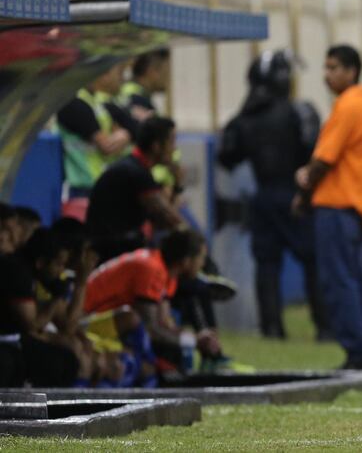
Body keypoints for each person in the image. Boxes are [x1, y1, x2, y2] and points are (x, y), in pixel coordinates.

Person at [218, 49, 331, 341]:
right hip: (296, 196)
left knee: (267, 264)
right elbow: (313, 152)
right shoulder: (299, 111)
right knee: (313, 261)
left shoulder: (244, 118)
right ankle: (324, 325)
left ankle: (272, 328)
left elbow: (227, 156)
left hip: (264, 196)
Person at [294, 45, 362, 370]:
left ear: (351, 71)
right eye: (326, 67)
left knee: (339, 283)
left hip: (338, 206)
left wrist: (304, 191)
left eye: (333, 68)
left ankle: (359, 354)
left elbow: (324, 160)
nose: (327, 74)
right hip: (353, 207)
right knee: (353, 281)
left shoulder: (348, 105)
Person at [83, 229, 222, 371]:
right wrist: (192, 341)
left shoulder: (167, 273)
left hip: (105, 321)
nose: (203, 264)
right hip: (84, 322)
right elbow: (150, 329)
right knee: (138, 331)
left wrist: (197, 338)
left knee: (170, 341)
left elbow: (165, 324)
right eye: (202, 258)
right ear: (186, 261)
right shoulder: (151, 269)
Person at [86, 115, 185, 262]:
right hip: (110, 254)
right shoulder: (136, 173)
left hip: (117, 249)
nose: (175, 148)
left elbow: (161, 223)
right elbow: (170, 221)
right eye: (171, 142)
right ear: (156, 146)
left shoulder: (136, 167)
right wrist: (178, 184)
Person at [0, 228, 82, 387]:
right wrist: (56, 298)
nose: (61, 271)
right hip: (6, 342)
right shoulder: (18, 273)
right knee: (57, 364)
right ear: (41, 262)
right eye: (59, 264)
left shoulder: (31, 274)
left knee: (69, 358)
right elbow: (32, 325)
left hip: (15, 340)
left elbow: (68, 325)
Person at [56, 62, 136, 220]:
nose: (120, 78)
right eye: (117, 72)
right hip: (81, 185)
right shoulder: (74, 103)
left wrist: (124, 135)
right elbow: (107, 146)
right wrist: (122, 137)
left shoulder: (96, 102)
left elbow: (132, 127)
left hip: (99, 182)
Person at [119, 49, 170, 121]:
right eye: (166, 73)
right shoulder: (138, 100)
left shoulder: (129, 92)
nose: (168, 79)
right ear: (153, 72)